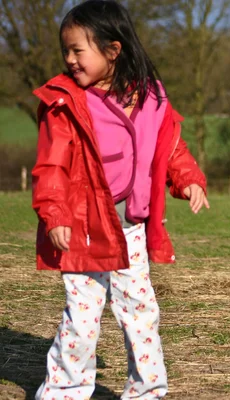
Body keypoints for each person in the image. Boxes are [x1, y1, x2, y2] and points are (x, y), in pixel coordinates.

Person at [31, 1, 209, 398]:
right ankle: (64, 391)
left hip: (131, 230)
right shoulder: (65, 103)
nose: (70, 59)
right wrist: (54, 213)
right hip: (84, 229)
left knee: (142, 313)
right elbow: (52, 166)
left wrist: (189, 178)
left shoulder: (151, 97)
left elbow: (170, 146)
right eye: (67, 51)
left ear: (114, 49)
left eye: (79, 50)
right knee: (83, 317)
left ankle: (147, 391)